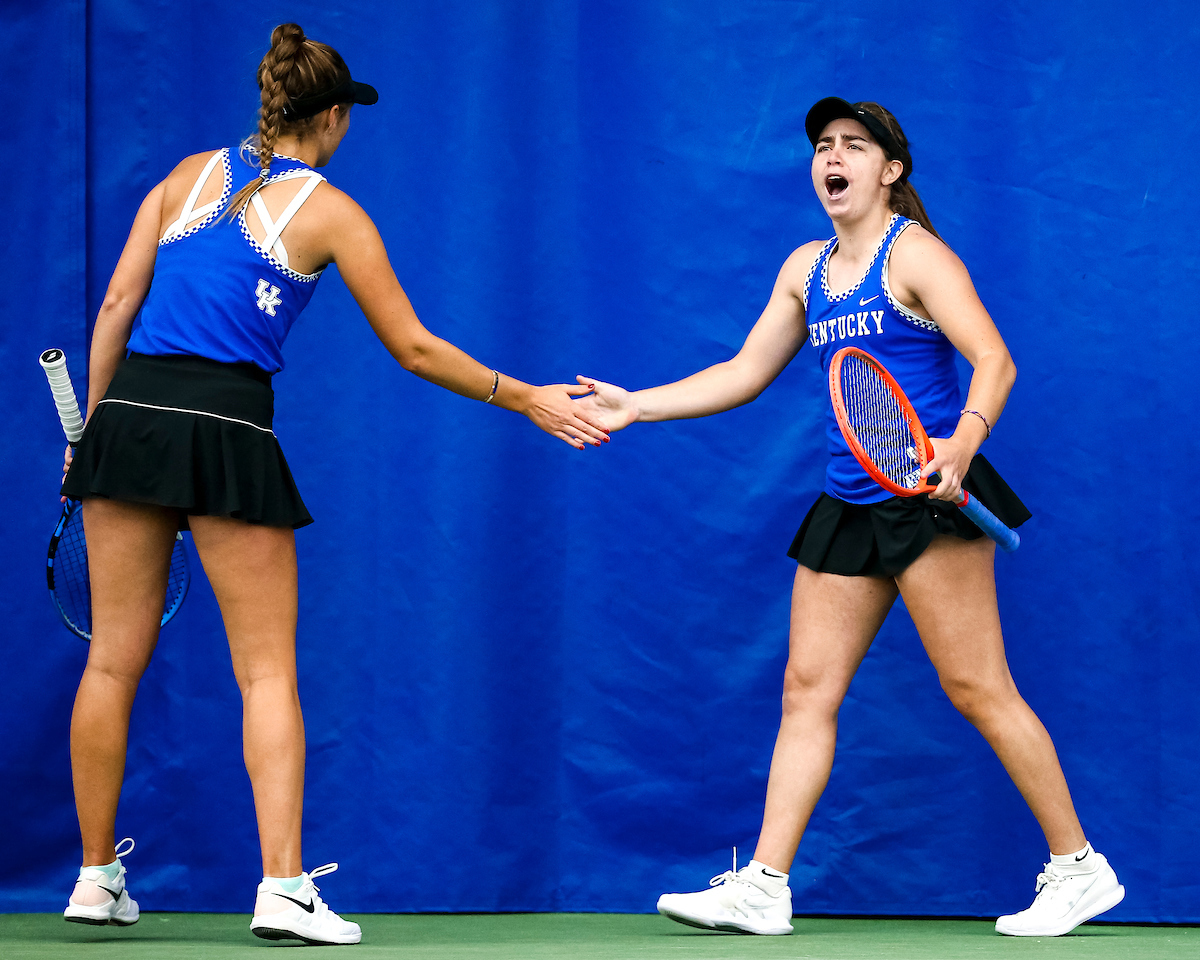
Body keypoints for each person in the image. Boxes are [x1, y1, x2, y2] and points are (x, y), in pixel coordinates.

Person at [59, 23, 608, 946]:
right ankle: (281, 888)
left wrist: (90, 439)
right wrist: (529, 402)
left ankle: (93, 877)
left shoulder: (181, 176)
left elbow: (117, 306)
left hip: (128, 422)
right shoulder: (334, 213)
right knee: (267, 670)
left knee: (111, 661)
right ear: (338, 116)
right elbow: (415, 347)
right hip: (228, 426)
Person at [575, 97, 1123, 938]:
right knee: (806, 691)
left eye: (853, 146)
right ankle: (763, 885)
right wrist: (635, 406)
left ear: (889, 170)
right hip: (848, 500)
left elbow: (994, 360)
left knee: (978, 687)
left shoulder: (919, 257)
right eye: (823, 147)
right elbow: (745, 369)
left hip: (927, 497)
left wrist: (961, 445)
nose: (833, 158)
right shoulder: (806, 268)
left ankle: (1079, 868)